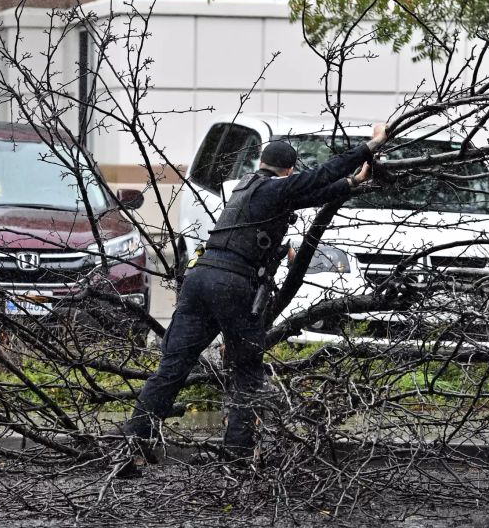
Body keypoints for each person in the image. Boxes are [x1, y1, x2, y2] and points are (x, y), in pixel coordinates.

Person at [120, 122, 388, 464]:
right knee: (247, 370)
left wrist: (352, 183)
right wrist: (370, 146)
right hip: (231, 285)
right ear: (288, 170)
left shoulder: (245, 187)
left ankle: (132, 444)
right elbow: (321, 176)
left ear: (261, 162)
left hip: (199, 279)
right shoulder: (276, 189)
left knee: (172, 367)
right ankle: (237, 458)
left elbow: (313, 193)